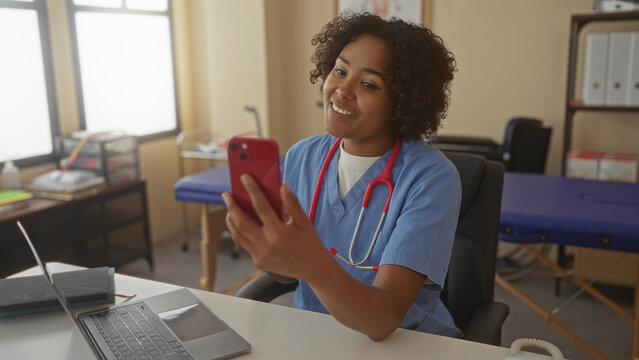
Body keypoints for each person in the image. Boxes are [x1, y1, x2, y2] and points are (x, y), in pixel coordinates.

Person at [222, 12, 460, 341]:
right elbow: (284, 272)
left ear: (403, 102)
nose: (342, 90)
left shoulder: (431, 178)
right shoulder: (302, 157)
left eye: (368, 84)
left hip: (406, 344)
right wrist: (263, 247)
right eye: (340, 70)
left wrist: (312, 264)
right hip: (315, 336)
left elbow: (384, 318)